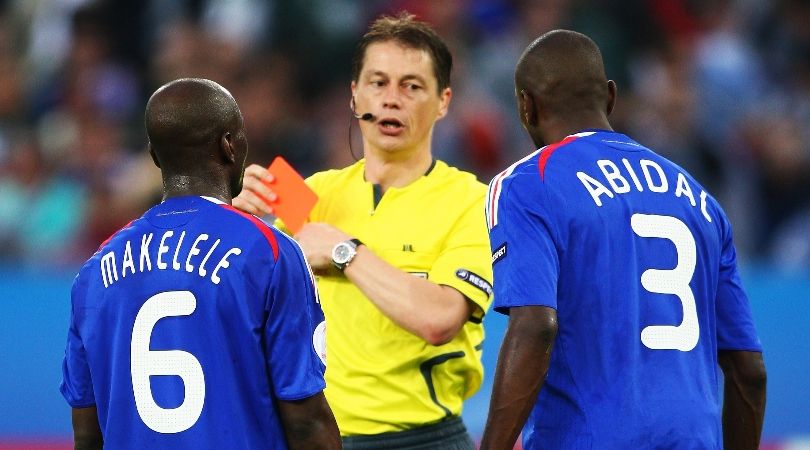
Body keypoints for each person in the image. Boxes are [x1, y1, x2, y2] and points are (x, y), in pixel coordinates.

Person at [480, 30, 767, 450]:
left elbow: (536, 325)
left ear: (526, 105)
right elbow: (749, 370)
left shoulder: (529, 183)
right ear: (611, 97)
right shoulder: (699, 199)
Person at [234, 13, 493, 450]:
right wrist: (235, 223)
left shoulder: (472, 201)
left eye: (411, 86)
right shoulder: (309, 194)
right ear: (354, 97)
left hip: (422, 440)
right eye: (377, 83)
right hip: (316, 436)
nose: (391, 99)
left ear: (443, 101)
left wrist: (345, 252)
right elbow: (245, 312)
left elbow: (438, 320)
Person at [59, 78, 341, 450]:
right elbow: (305, 421)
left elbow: (87, 433)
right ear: (230, 145)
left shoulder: (94, 272)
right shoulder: (270, 252)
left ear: (155, 156)